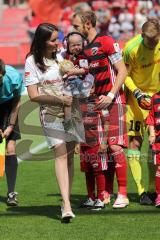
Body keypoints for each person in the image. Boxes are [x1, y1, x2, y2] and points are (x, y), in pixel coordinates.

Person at [24, 23, 85, 222]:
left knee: (68, 157)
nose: (57, 43)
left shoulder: (60, 56)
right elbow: (33, 96)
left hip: (71, 112)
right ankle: (67, 206)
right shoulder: (31, 61)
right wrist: (60, 100)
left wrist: (79, 80)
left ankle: (64, 200)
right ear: (42, 41)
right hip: (50, 113)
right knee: (60, 153)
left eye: (57, 39)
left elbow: (72, 76)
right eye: (52, 40)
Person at [72, 11, 129, 208]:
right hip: (97, 103)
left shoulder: (106, 41)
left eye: (77, 26)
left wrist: (112, 95)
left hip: (114, 100)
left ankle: (123, 193)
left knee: (114, 146)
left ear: (87, 24)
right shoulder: (85, 50)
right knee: (102, 150)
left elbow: (122, 70)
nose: (75, 29)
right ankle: (107, 191)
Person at [123, 19, 160, 204]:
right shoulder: (131, 49)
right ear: (142, 35)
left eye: (156, 40)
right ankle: (140, 190)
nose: (153, 44)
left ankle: (154, 189)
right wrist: (137, 93)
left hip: (158, 100)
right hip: (136, 102)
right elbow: (124, 75)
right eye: (150, 41)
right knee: (135, 144)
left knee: (156, 147)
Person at [0, 58, 24, 206]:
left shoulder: (14, 77)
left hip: (9, 107)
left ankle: (11, 193)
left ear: (2, 73)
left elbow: (17, 102)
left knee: (10, 150)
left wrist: (10, 126)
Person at [60, 31, 94, 130]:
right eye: (73, 45)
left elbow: (85, 70)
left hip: (80, 82)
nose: (76, 47)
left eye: (78, 45)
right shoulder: (65, 55)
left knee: (82, 100)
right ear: (67, 45)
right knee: (67, 100)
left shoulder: (82, 56)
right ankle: (67, 120)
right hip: (69, 83)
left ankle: (85, 117)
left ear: (83, 44)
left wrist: (72, 71)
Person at [80, 95, 108, 210]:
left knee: (98, 171)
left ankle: (101, 199)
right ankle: (91, 198)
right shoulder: (80, 102)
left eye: (91, 85)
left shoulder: (101, 102)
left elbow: (107, 122)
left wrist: (104, 142)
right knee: (87, 171)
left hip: (97, 143)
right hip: (84, 144)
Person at [146, 92, 160, 208]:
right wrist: (151, 134)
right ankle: (159, 196)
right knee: (159, 168)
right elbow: (151, 117)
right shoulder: (155, 98)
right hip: (159, 140)